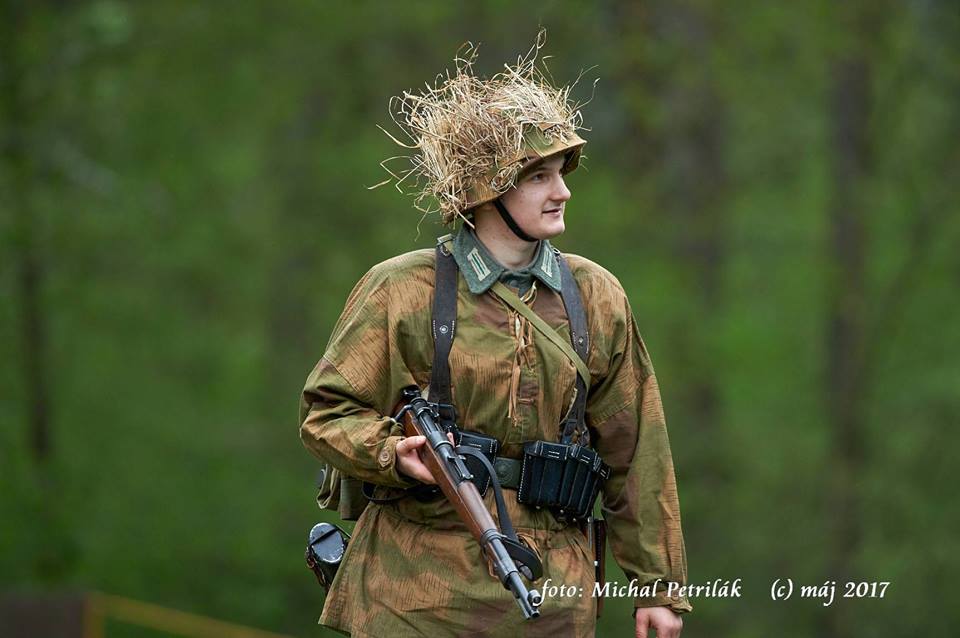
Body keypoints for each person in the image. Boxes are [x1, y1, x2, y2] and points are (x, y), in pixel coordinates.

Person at [300, 37, 690, 638]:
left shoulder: (595, 295)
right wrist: (392, 453)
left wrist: (657, 588)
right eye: (539, 176)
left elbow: (636, 450)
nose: (562, 191)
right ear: (487, 190)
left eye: (560, 173)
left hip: (551, 598)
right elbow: (326, 413)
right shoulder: (403, 289)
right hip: (417, 593)